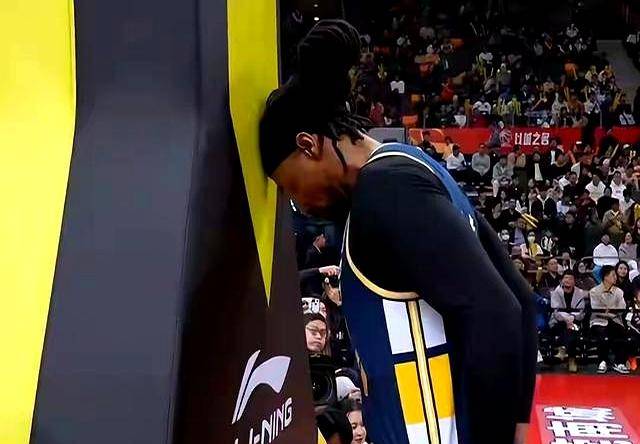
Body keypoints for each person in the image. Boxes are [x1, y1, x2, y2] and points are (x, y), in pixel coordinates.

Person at [260, 20, 536, 444]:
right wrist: (517, 424)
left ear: (308, 146)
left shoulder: (386, 191)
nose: (302, 204)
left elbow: (496, 312)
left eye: (291, 186)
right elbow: (519, 297)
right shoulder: (414, 164)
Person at [589, 266, 629, 374]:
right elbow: (596, 309)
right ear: (605, 277)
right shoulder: (594, 291)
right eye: (613, 275)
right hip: (598, 321)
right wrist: (611, 311)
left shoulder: (619, 292)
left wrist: (608, 311)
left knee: (622, 333)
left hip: (615, 320)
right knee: (603, 335)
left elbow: (622, 308)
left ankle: (619, 362)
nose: (616, 277)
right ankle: (602, 361)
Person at [549, 271, 587, 372]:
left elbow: (581, 312)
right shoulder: (556, 292)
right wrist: (566, 319)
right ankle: (572, 360)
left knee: (572, 330)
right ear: (562, 280)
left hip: (575, 320)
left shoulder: (579, 293)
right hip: (559, 321)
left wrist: (572, 318)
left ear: (574, 281)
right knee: (568, 330)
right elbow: (556, 312)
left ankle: (563, 349)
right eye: (565, 278)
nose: (567, 280)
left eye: (570, 278)